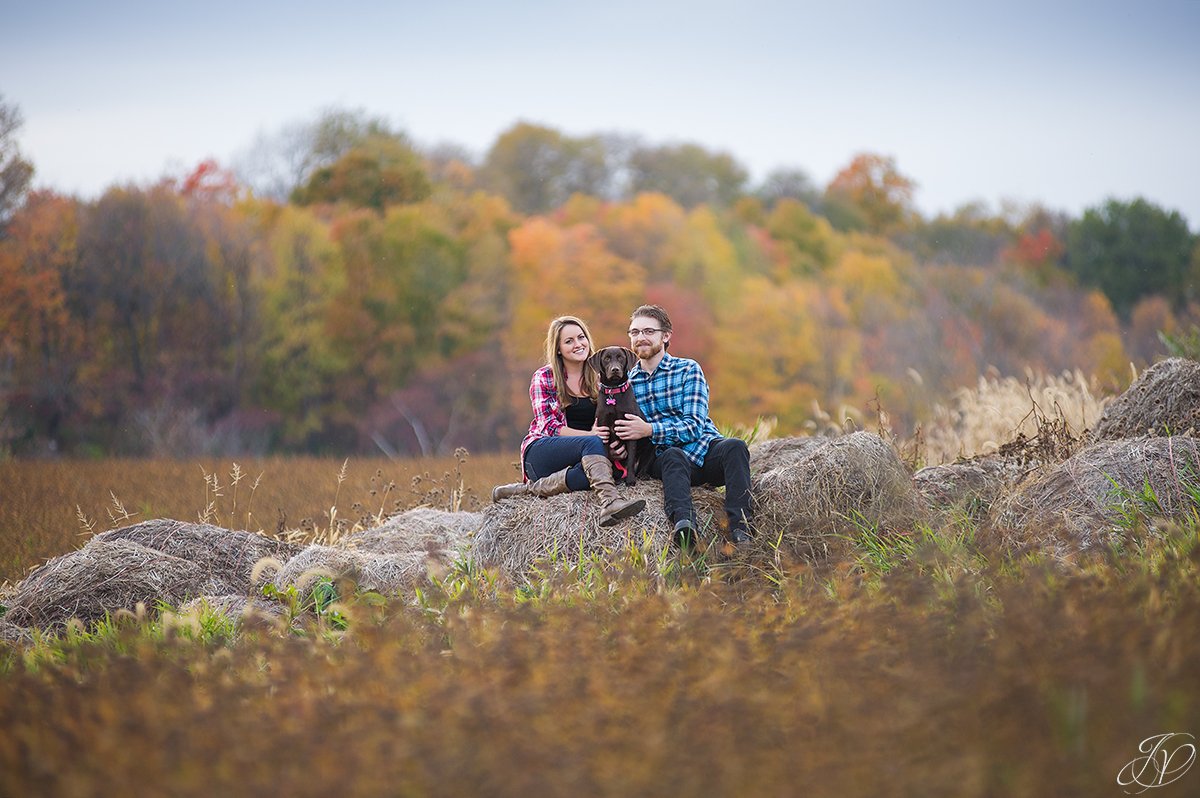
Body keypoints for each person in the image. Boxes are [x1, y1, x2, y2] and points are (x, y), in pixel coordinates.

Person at [613, 304, 752, 547]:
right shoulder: (627, 384)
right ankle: (684, 526)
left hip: (703, 452)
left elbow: (694, 426)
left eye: (648, 331)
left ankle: (741, 529)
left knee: (735, 447)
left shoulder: (688, 370)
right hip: (668, 463)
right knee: (672, 455)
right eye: (634, 333)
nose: (640, 338)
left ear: (665, 336)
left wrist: (650, 429)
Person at [491, 315, 646, 526]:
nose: (578, 344)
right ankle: (610, 502)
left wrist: (611, 447)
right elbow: (549, 426)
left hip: (584, 457)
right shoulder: (544, 376)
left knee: (599, 475)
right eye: (569, 341)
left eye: (581, 337)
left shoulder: (602, 377)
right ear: (558, 349)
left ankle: (524, 491)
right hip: (542, 450)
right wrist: (593, 438)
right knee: (593, 445)